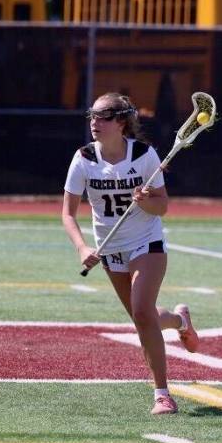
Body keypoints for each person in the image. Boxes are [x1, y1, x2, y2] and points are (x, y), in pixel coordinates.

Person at [61, 92, 199, 415]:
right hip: (110, 248)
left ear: (120, 122)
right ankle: (180, 320)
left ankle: (162, 395)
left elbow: (162, 206)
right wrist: (82, 247)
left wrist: (145, 201)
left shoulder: (144, 156)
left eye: (102, 117)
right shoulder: (84, 159)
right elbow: (67, 213)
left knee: (140, 310)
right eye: (92, 116)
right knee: (145, 317)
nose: (94, 123)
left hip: (146, 242)